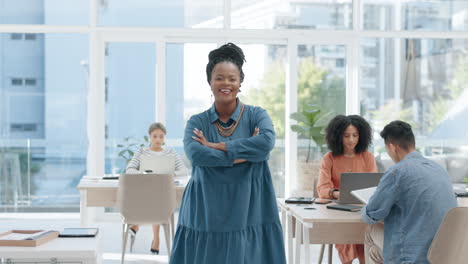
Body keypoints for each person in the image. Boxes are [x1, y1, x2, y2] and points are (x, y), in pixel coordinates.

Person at [169, 43, 286, 264]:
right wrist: (246, 154)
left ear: (240, 82)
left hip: (251, 205)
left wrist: (217, 146)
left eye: (232, 78)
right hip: (206, 206)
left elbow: (266, 143)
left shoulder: (256, 115)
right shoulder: (197, 121)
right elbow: (196, 156)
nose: (226, 83)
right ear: (210, 82)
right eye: (219, 78)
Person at [361, 120, 457, 264]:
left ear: (393, 147)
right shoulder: (439, 169)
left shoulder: (397, 172)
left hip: (413, 257)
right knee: (375, 252)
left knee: (370, 230)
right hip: (444, 253)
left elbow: (372, 214)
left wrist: (364, 208)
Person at [317, 114, 377, 264]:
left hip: (363, 210)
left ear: (361, 136)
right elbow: (322, 189)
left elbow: (375, 187)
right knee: (345, 234)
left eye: (355, 135)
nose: (351, 140)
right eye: (346, 136)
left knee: (368, 235)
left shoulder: (367, 157)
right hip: (339, 211)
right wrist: (338, 194)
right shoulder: (329, 158)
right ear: (338, 137)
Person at [125, 122, 187, 254]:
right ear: (149, 137)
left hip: (162, 189)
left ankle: (137, 225)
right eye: (155, 136)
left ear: (164, 137)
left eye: (161, 136)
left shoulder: (171, 152)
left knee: (158, 196)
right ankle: (156, 239)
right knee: (156, 197)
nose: (158, 139)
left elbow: (184, 170)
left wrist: (171, 174)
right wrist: (143, 174)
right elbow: (129, 169)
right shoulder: (141, 152)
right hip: (146, 188)